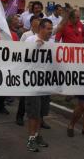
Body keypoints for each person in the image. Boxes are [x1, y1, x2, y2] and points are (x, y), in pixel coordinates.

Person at [24, 18, 53, 152]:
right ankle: (31, 139)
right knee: (33, 113)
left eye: (51, 29)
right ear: (41, 28)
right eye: (48, 29)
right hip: (32, 83)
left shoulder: (51, 43)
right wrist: (36, 46)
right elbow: (22, 57)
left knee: (41, 113)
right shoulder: (30, 40)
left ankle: (37, 135)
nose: (50, 31)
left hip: (46, 83)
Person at [0, 15, 19, 118]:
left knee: (4, 87)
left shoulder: (14, 35)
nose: (18, 21)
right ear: (9, 22)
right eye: (15, 19)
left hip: (8, 66)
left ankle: (1, 106)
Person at [16, 15, 41, 126]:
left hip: (40, 70)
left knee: (40, 97)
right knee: (24, 96)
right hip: (28, 68)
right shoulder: (26, 36)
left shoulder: (44, 36)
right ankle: (20, 116)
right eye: (35, 23)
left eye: (39, 24)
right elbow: (21, 51)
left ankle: (40, 119)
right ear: (31, 24)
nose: (37, 26)